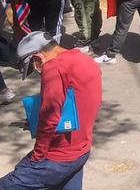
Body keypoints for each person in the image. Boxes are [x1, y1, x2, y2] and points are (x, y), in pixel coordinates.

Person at [0, 31, 102, 189]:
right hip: (82, 149)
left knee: (8, 184)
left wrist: (38, 155)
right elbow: (85, 101)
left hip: (58, 157)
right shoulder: (84, 59)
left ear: (37, 57)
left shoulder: (54, 68)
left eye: (34, 66)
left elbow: (50, 117)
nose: (37, 70)